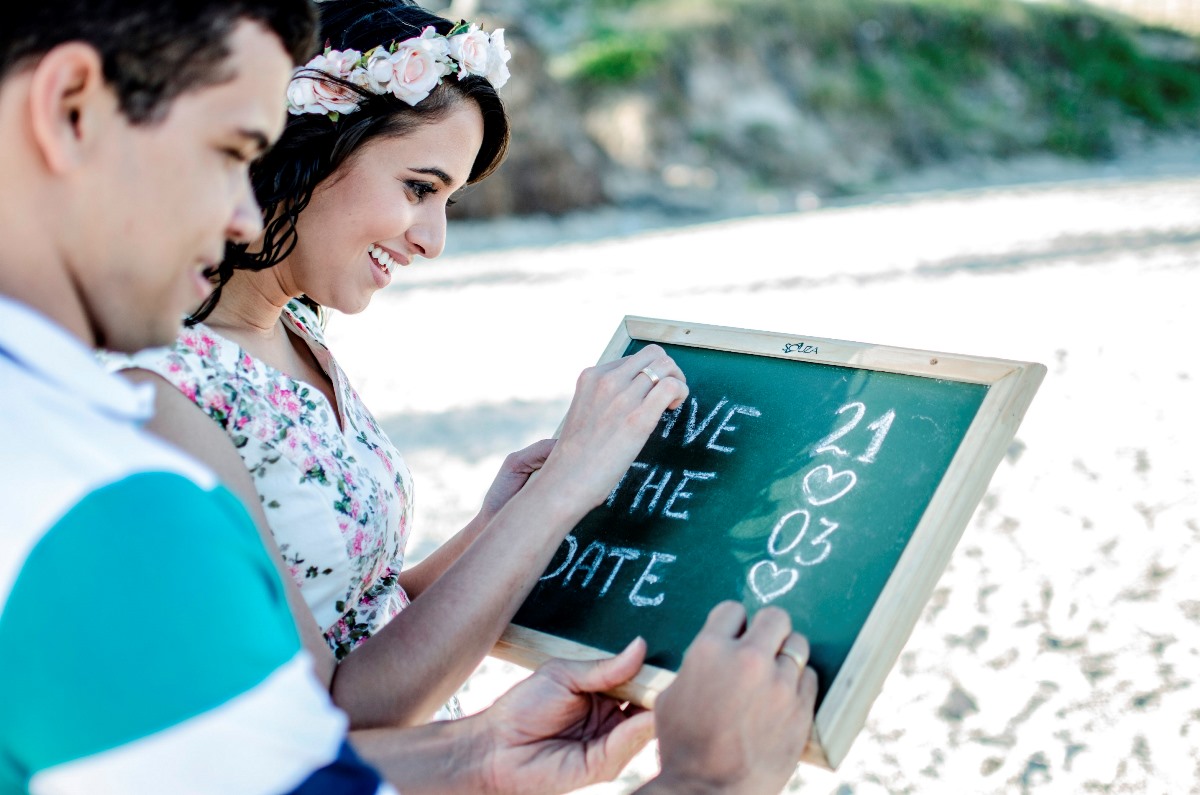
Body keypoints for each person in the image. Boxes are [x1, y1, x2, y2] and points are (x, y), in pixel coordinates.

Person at [0, 0, 819, 793]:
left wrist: (480, 740)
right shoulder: (120, 444)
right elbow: (310, 733)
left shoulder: (290, 337)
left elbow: (356, 617)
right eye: (230, 150)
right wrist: (707, 779)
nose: (242, 214)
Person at [105, 0, 705, 729]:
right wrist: (564, 489)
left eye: (447, 199)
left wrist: (496, 521)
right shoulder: (161, 389)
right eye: (419, 188)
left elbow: (369, 612)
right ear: (306, 145)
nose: (433, 239)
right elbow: (336, 710)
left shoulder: (295, 330)